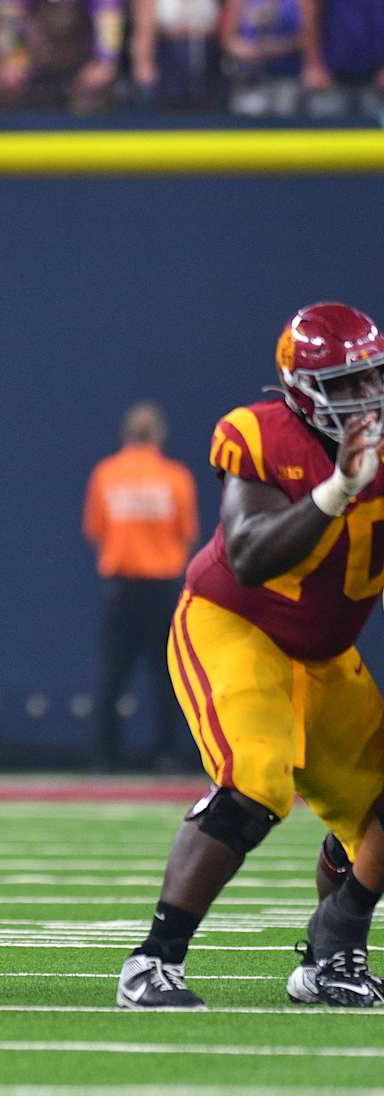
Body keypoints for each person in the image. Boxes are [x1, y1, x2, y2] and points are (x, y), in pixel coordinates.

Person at [117, 302, 384, 1010]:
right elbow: (248, 553)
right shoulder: (262, 435)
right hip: (235, 624)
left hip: (326, 653)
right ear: (302, 389)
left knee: (374, 807)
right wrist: (338, 490)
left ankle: (334, 950)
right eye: (347, 385)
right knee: (257, 783)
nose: (363, 399)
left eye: (371, 380)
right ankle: (154, 962)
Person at [81, 401, 197, 771]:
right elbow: (187, 534)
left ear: (125, 435)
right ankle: (167, 754)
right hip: (163, 587)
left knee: (111, 676)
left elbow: (95, 530)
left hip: (122, 587)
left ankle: (105, 757)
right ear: (159, 436)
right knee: (167, 676)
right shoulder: (176, 477)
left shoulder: (106, 474)